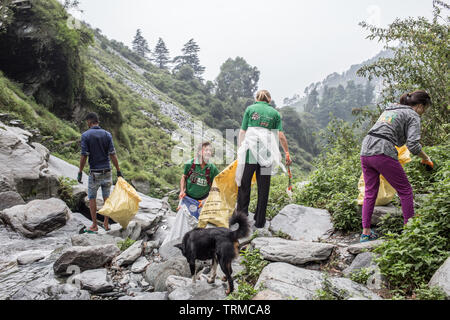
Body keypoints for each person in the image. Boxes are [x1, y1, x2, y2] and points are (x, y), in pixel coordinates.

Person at [360, 90, 433, 242]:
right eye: (425, 109)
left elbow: (396, 136)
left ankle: (365, 233)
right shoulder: (413, 115)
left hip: (366, 149)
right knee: (405, 190)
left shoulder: (391, 108)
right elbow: (412, 145)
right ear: (420, 106)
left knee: (370, 192)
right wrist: (426, 158)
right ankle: (409, 232)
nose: (423, 113)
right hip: (382, 150)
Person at [236, 90, 292, 229]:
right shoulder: (274, 113)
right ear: (269, 99)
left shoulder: (250, 109)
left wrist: (240, 149)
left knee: (244, 185)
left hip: (249, 154)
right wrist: (286, 152)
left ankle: (242, 219)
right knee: (264, 188)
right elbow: (280, 135)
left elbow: (242, 132)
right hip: (266, 155)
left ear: (257, 98)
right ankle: (260, 221)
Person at [78, 112, 122, 233]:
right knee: (106, 198)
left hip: (94, 173)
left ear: (90, 121)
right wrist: (118, 170)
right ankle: (106, 224)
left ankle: (94, 225)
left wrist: (80, 171)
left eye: (87, 122)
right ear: (98, 121)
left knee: (92, 198)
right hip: (107, 171)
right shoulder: (107, 135)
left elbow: (84, 156)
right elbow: (112, 154)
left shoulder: (86, 135)